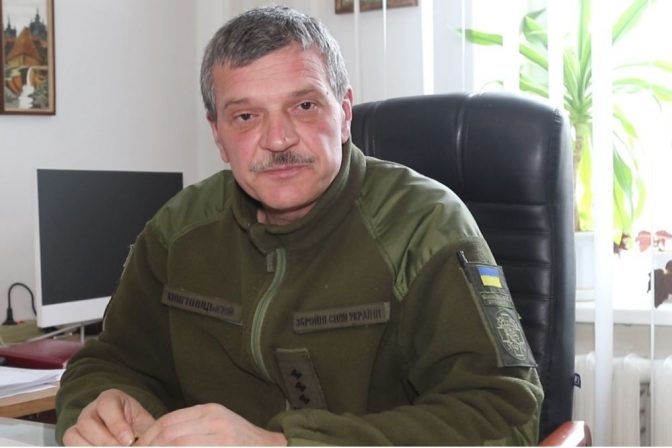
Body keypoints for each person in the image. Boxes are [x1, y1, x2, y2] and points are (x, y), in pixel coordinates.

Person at [55, 5, 543, 446]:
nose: (278, 138)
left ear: (344, 113)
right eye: (246, 116)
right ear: (218, 136)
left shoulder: (426, 227)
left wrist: (282, 445)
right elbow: (108, 363)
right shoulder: (178, 230)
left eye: (304, 106)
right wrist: (102, 407)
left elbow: (505, 419)